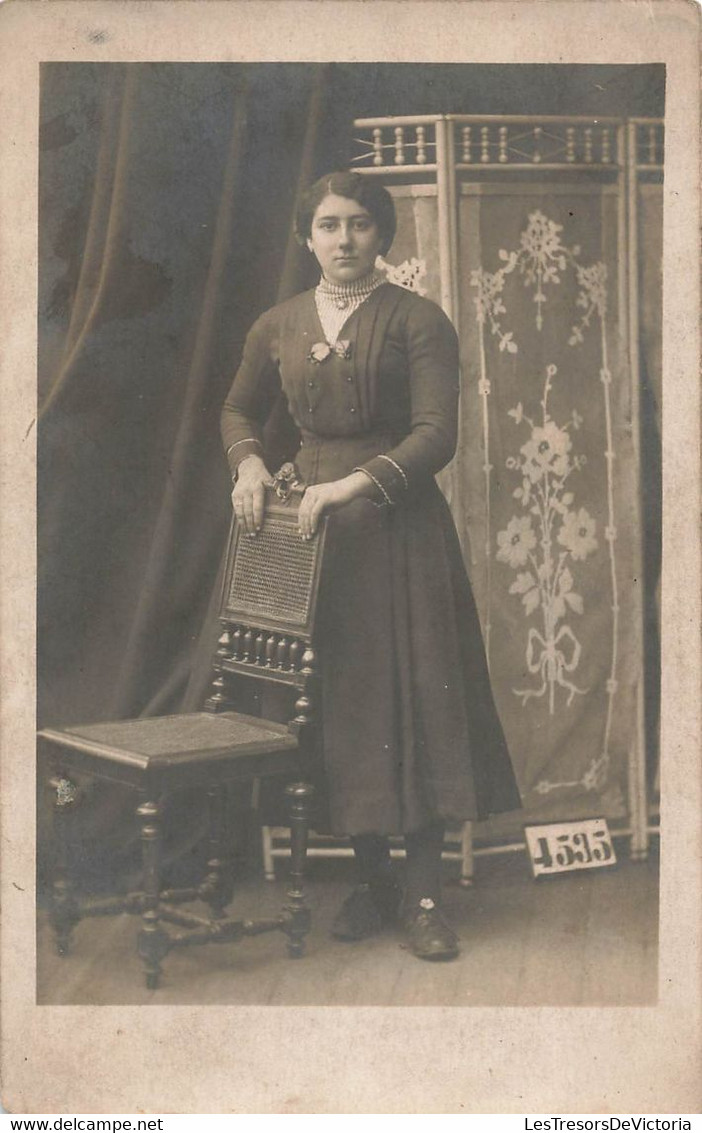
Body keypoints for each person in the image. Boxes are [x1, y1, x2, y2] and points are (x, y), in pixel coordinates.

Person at [221, 171, 521, 962]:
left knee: (417, 699)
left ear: (382, 235)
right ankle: (375, 879)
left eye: (359, 224)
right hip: (314, 544)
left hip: (398, 529)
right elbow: (237, 410)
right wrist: (251, 466)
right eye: (328, 224)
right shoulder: (278, 323)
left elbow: (436, 434)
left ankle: (424, 893)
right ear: (306, 236)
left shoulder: (419, 319)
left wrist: (351, 484)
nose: (344, 239)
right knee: (341, 705)